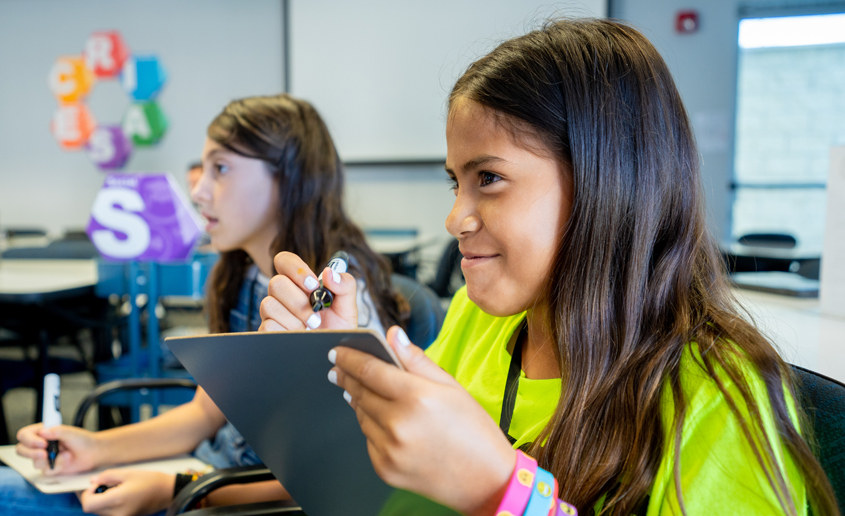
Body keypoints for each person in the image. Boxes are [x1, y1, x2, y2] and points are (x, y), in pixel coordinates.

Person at [261, 19, 839, 516]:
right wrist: (338, 365)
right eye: (455, 182)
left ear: (605, 185)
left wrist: (501, 491)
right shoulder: (476, 320)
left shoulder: (717, 397)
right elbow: (387, 492)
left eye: (489, 178)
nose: (455, 217)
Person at [2, 93, 405, 516]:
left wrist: (173, 489)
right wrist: (95, 449)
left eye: (221, 169)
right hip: (204, 479)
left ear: (286, 178)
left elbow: (330, 477)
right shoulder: (243, 275)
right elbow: (203, 413)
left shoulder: (334, 295)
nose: (198, 191)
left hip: (227, 496)